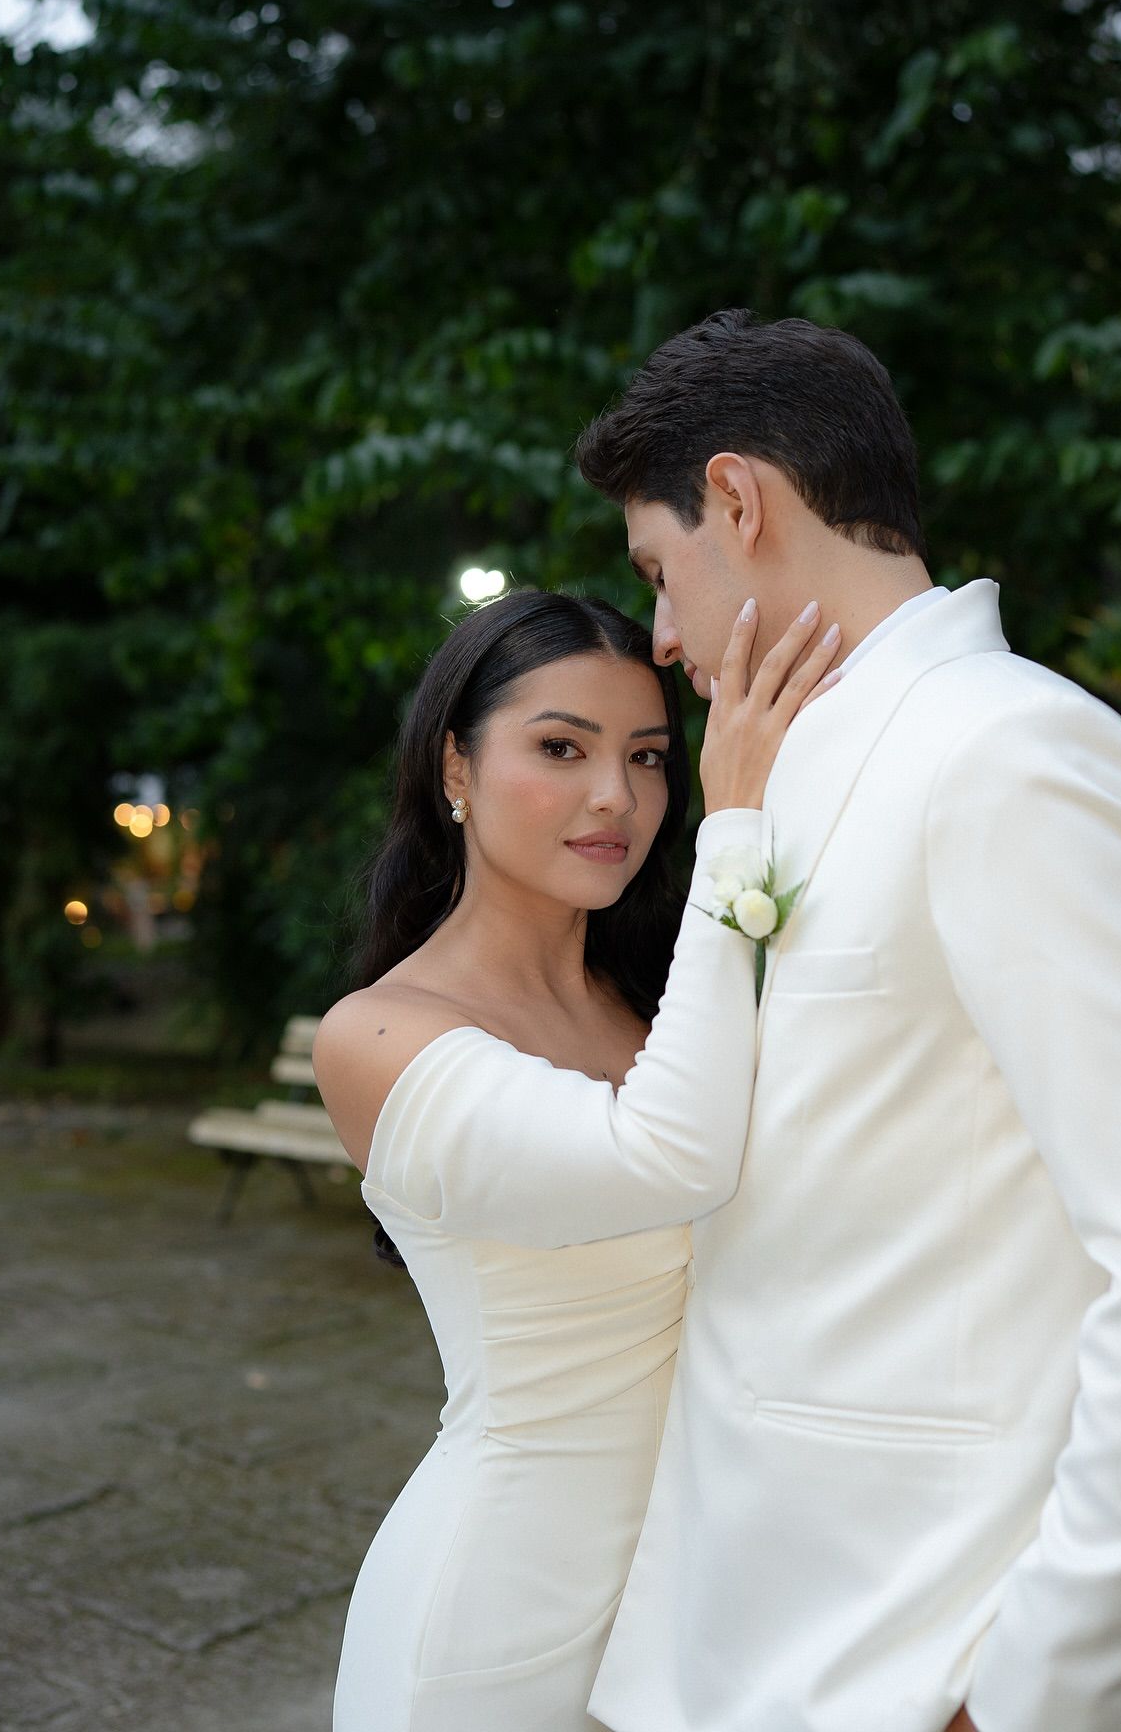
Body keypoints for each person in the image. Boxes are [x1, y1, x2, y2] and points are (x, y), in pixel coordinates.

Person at [574, 307, 1121, 1732]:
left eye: (658, 571)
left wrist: (1036, 1694)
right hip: (755, 1629)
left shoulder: (1017, 757)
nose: (658, 634)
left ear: (739, 499)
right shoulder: (785, 777)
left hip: (917, 1661)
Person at [313, 587, 841, 1732]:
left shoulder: (661, 1004)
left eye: (650, 757)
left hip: (696, 1606)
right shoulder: (380, 1036)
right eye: (562, 748)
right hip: (495, 1625)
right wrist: (736, 820)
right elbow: (663, 1164)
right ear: (455, 766)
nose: (618, 797)